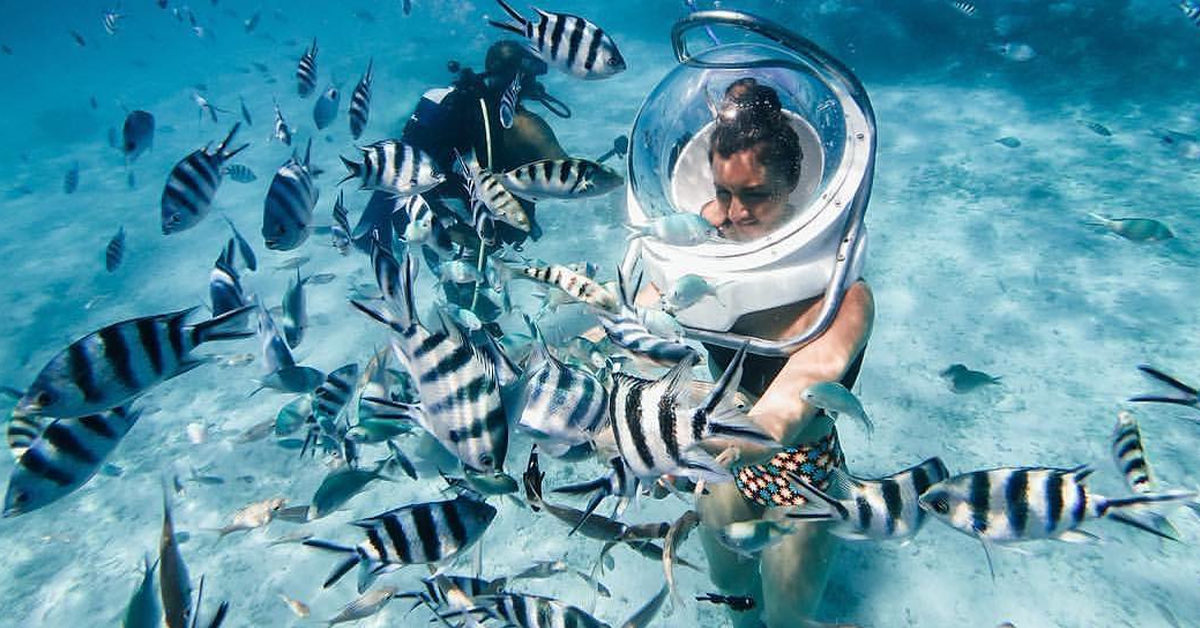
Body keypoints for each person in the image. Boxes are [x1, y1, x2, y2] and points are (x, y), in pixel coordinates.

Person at [635, 79, 874, 628]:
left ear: (794, 187)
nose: (734, 213)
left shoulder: (845, 296)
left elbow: (781, 416)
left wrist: (682, 438)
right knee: (734, 593)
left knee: (789, 617)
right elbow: (643, 334)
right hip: (719, 461)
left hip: (804, 471)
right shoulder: (698, 244)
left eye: (756, 195)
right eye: (722, 192)